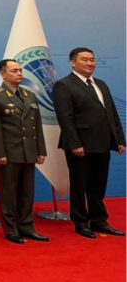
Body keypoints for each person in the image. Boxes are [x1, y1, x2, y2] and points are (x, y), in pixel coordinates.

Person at [53, 47, 126, 238]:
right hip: (80, 146)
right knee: (79, 186)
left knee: (98, 186)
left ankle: (99, 221)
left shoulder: (101, 84)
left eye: (92, 60)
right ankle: (81, 222)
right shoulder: (64, 85)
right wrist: (75, 144)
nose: (89, 63)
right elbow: (65, 119)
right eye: (84, 59)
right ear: (73, 63)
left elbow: (111, 113)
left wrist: (119, 139)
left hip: (103, 143)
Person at [0, 59, 48, 244]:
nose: (19, 74)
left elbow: (37, 125)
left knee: (27, 192)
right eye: (14, 71)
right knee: (9, 193)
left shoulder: (29, 95)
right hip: (9, 153)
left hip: (28, 151)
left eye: (20, 70)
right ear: (3, 74)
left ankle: (27, 226)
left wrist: (41, 150)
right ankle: (11, 229)